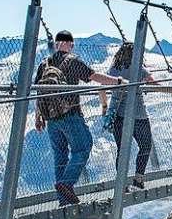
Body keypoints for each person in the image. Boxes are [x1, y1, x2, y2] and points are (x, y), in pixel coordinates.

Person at [34, 30, 125, 206]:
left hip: (51, 119)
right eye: (71, 44)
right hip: (71, 115)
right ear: (70, 44)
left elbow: (38, 91)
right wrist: (119, 81)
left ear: (55, 43)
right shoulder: (72, 61)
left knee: (60, 156)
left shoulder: (44, 64)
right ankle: (66, 184)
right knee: (83, 147)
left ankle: (63, 199)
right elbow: (94, 76)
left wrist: (38, 116)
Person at [105, 42, 156, 191]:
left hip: (119, 116)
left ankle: (121, 182)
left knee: (122, 149)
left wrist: (104, 107)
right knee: (145, 146)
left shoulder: (114, 70)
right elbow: (154, 83)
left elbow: (103, 85)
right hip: (139, 115)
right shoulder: (139, 69)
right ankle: (139, 178)